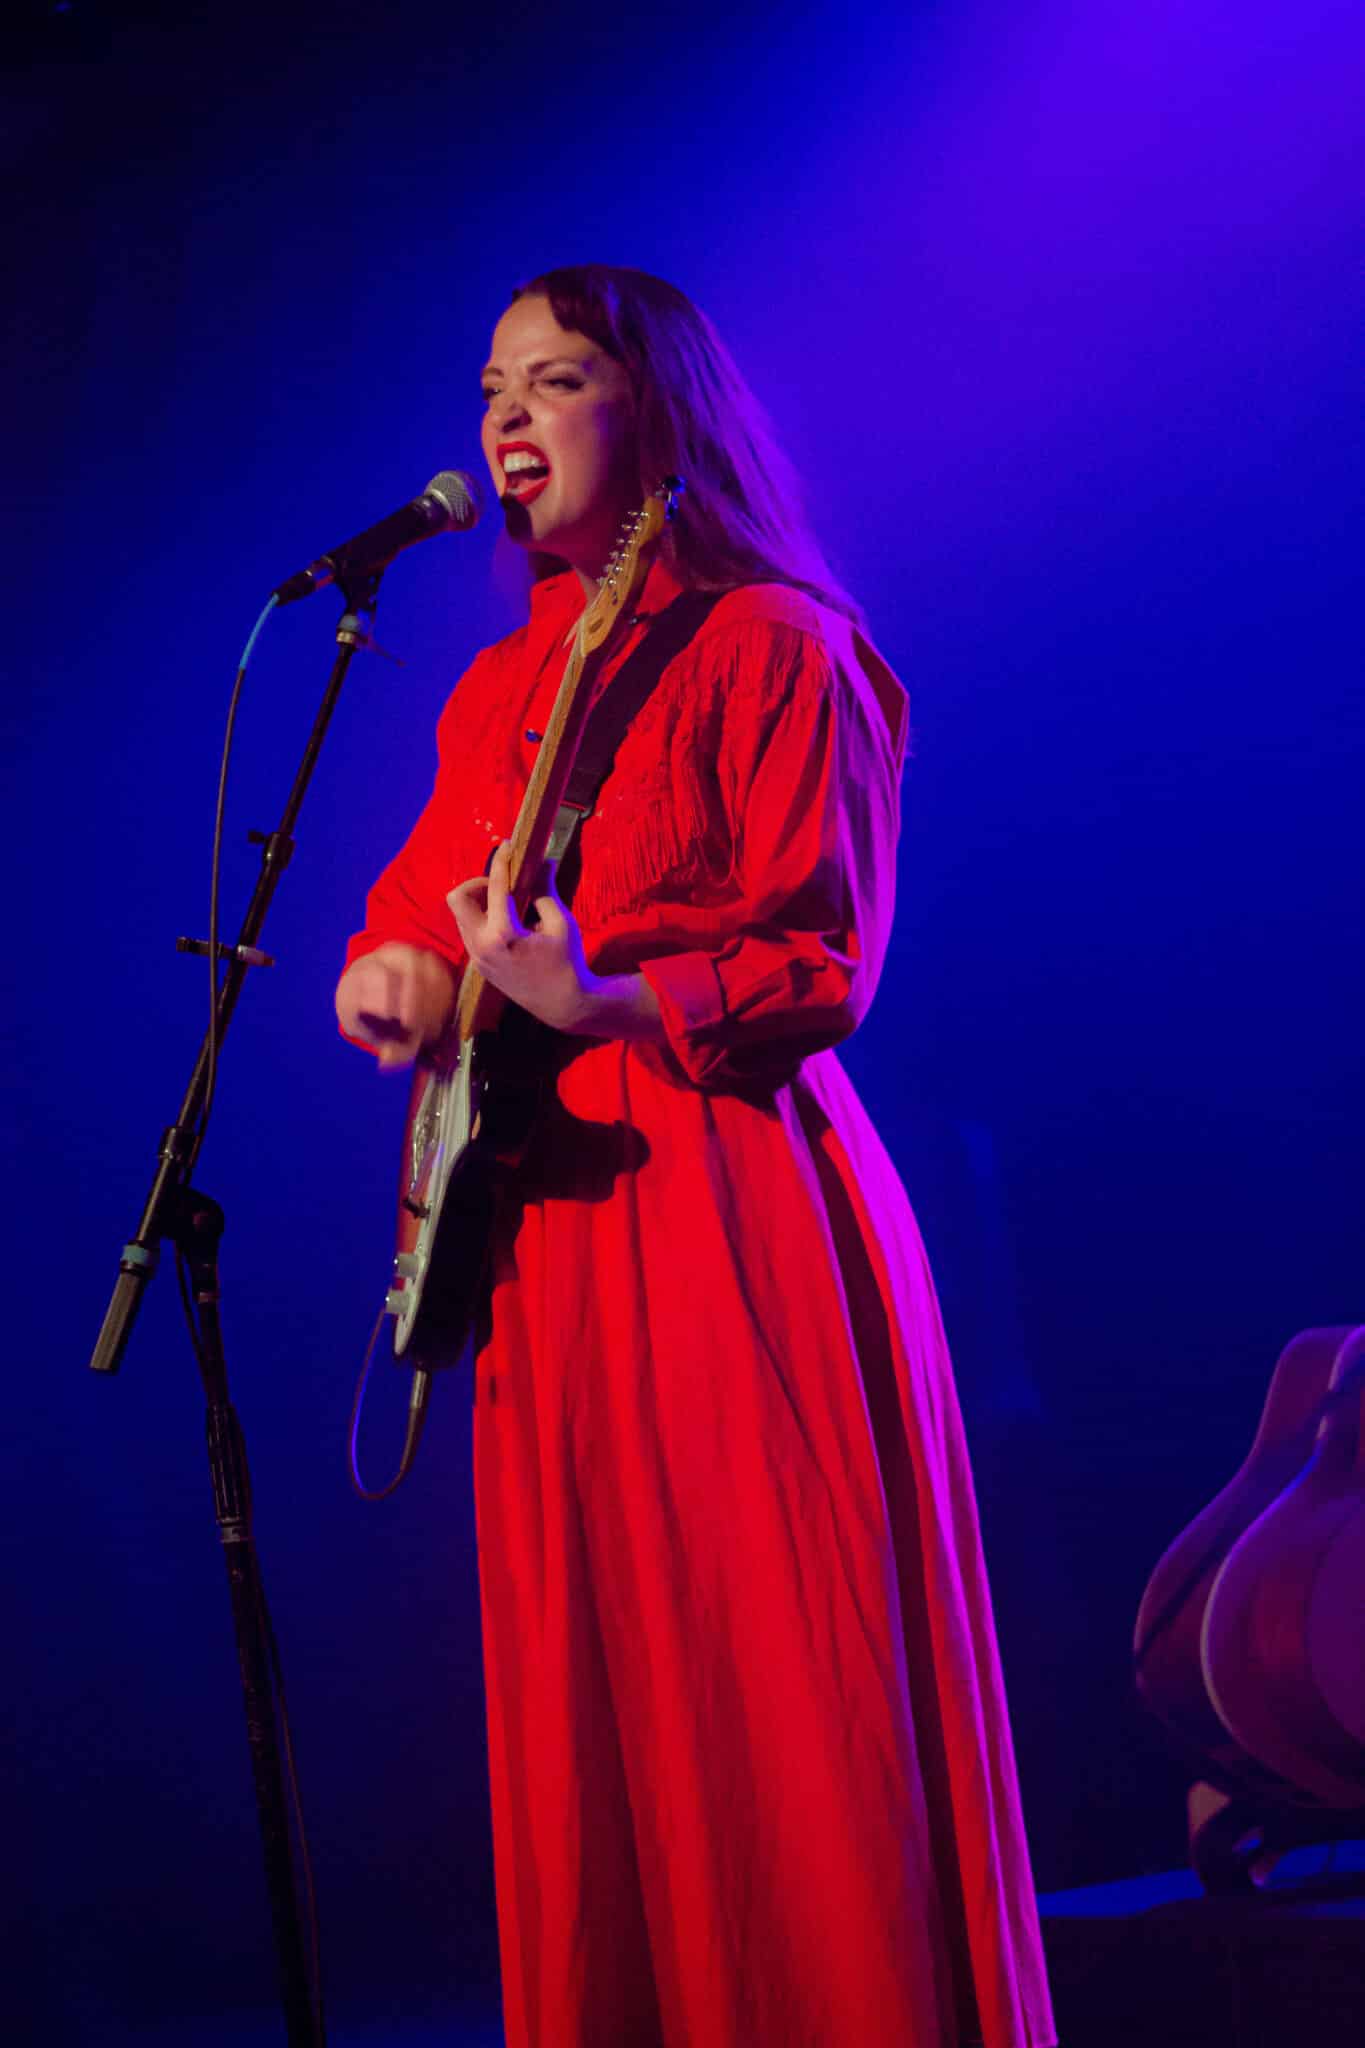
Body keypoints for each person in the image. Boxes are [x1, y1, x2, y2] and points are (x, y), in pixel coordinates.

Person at [335, 266, 1056, 2048]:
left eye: (555, 377)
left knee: (773, 1661)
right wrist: (397, 972)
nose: (505, 415)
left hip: (721, 1196)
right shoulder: (504, 683)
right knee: (603, 1684)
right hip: (550, 1229)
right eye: (491, 383)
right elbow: (427, 896)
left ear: (654, 413)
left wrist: (601, 1000)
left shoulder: (775, 642)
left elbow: (822, 958)